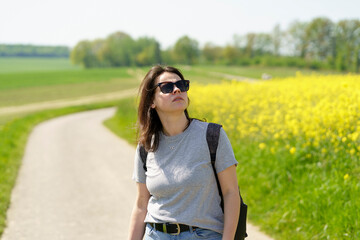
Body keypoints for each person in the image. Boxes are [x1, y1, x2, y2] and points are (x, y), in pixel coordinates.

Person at [128, 65, 240, 240]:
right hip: (155, 234)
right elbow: (141, 204)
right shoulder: (146, 146)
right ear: (152, 102)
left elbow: (231, 193)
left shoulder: (212, 135)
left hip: (203, 235)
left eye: (181, 84)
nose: (177, 89)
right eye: (167, 87)